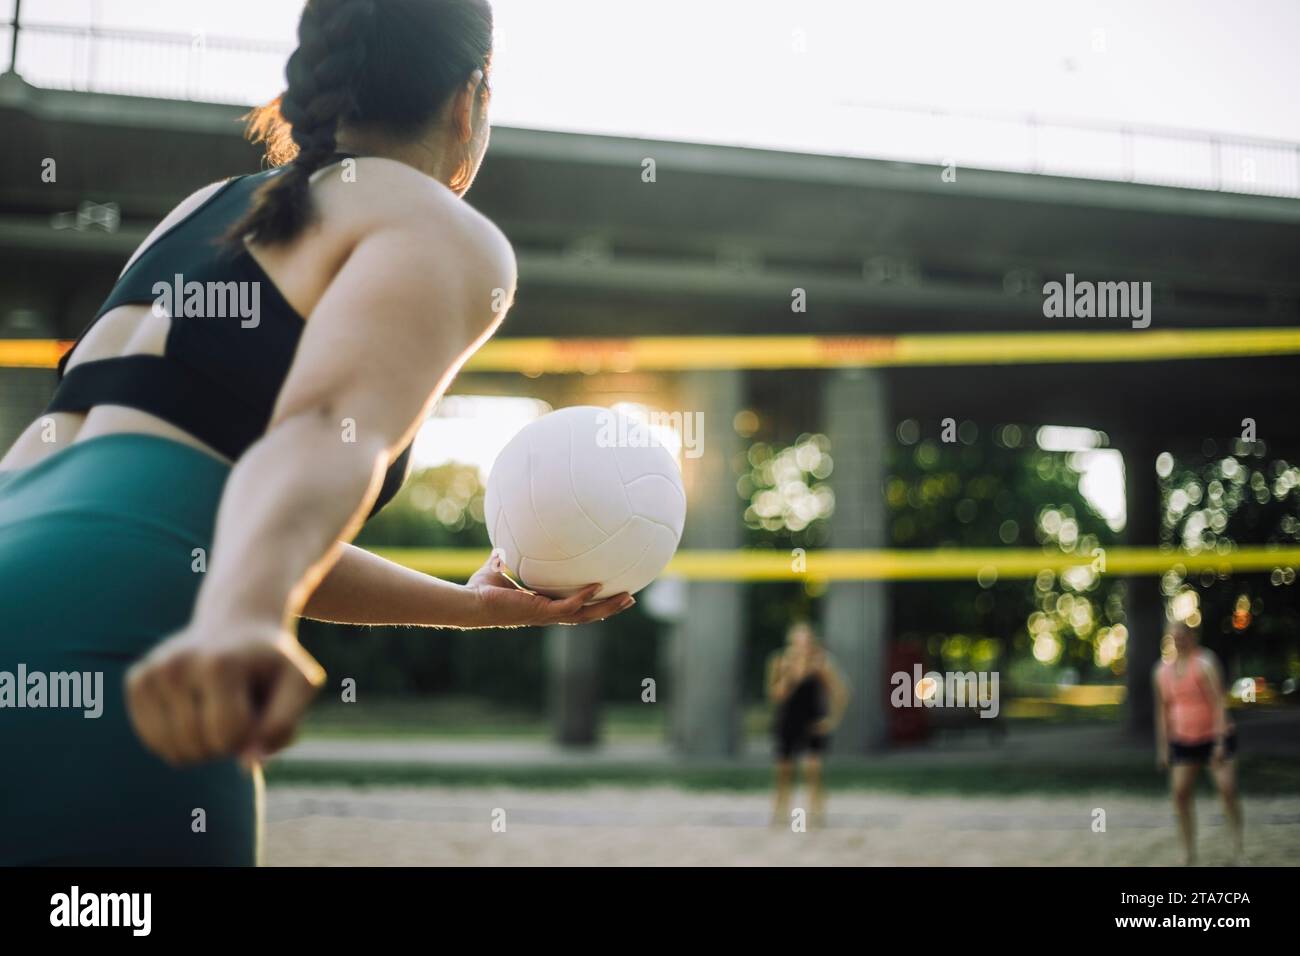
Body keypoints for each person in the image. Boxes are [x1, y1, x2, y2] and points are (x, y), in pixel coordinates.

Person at [0, 0, 633, 866]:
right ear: (471, 97)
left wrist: (474, 609)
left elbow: (211, 514)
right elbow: (316, 435)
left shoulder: (206, 208)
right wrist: (242, 617)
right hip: (131, 634)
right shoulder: (438, 228)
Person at [1153, 621, 1244, 865]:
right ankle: (1188, 853)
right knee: (1180, 795)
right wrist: (1163, 748)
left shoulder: (1205, 662)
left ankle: (1237, 848)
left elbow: (1219, 703)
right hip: (1183, 740)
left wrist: (1219, 742)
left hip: (1213, 737)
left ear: (1191, 636)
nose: (1179, 640)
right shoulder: (1161, 671)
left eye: (1183, 635)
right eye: (1174, 636)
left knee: (1227, 790)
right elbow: (1162, 711)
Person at [766, 621, 850, 828]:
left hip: (813, 720)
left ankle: (816, 815)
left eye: (806, 640)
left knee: (813, 769)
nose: (802, 645)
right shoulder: (779, 661)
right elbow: (775, 696)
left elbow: (841, 691)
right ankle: (780, 814)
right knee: (783, 770)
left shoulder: (821, 663)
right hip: (787, 720)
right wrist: (788, 675)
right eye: (798, 640)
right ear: (791, 642)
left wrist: (832, 720)